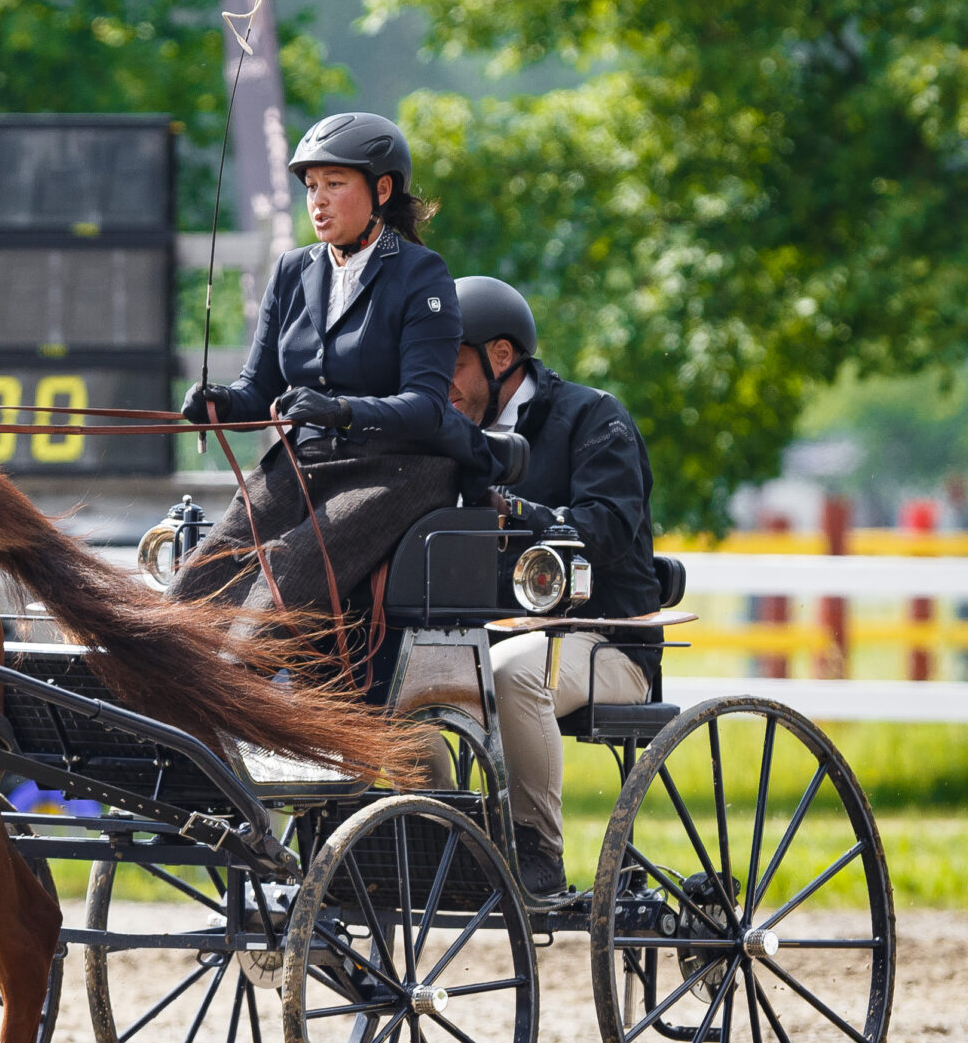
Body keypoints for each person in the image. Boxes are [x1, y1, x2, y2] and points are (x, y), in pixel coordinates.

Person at [171, 112, 499, 618]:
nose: (317, 200)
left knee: (279, 589)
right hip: (304, 462)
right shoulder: (291, 269)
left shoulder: (422, 274)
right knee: (195, 589)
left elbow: (426, 406)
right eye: (311, 186)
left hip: (396, 468)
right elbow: (257, 389)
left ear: (382, 190)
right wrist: (221, 402)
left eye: (335, 184)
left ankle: (241, 684)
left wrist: (341, 410)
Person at [450, 276, 661, 899]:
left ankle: (535, 849)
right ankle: (447, 834)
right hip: (496, 643)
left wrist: (514, 511)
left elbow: (612, 525)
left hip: (610, 645)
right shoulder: (453, 431)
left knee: (514, 671)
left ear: (501, 356)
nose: (443, 381)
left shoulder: (594, 417)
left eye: (454, 363)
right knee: (407, 677)